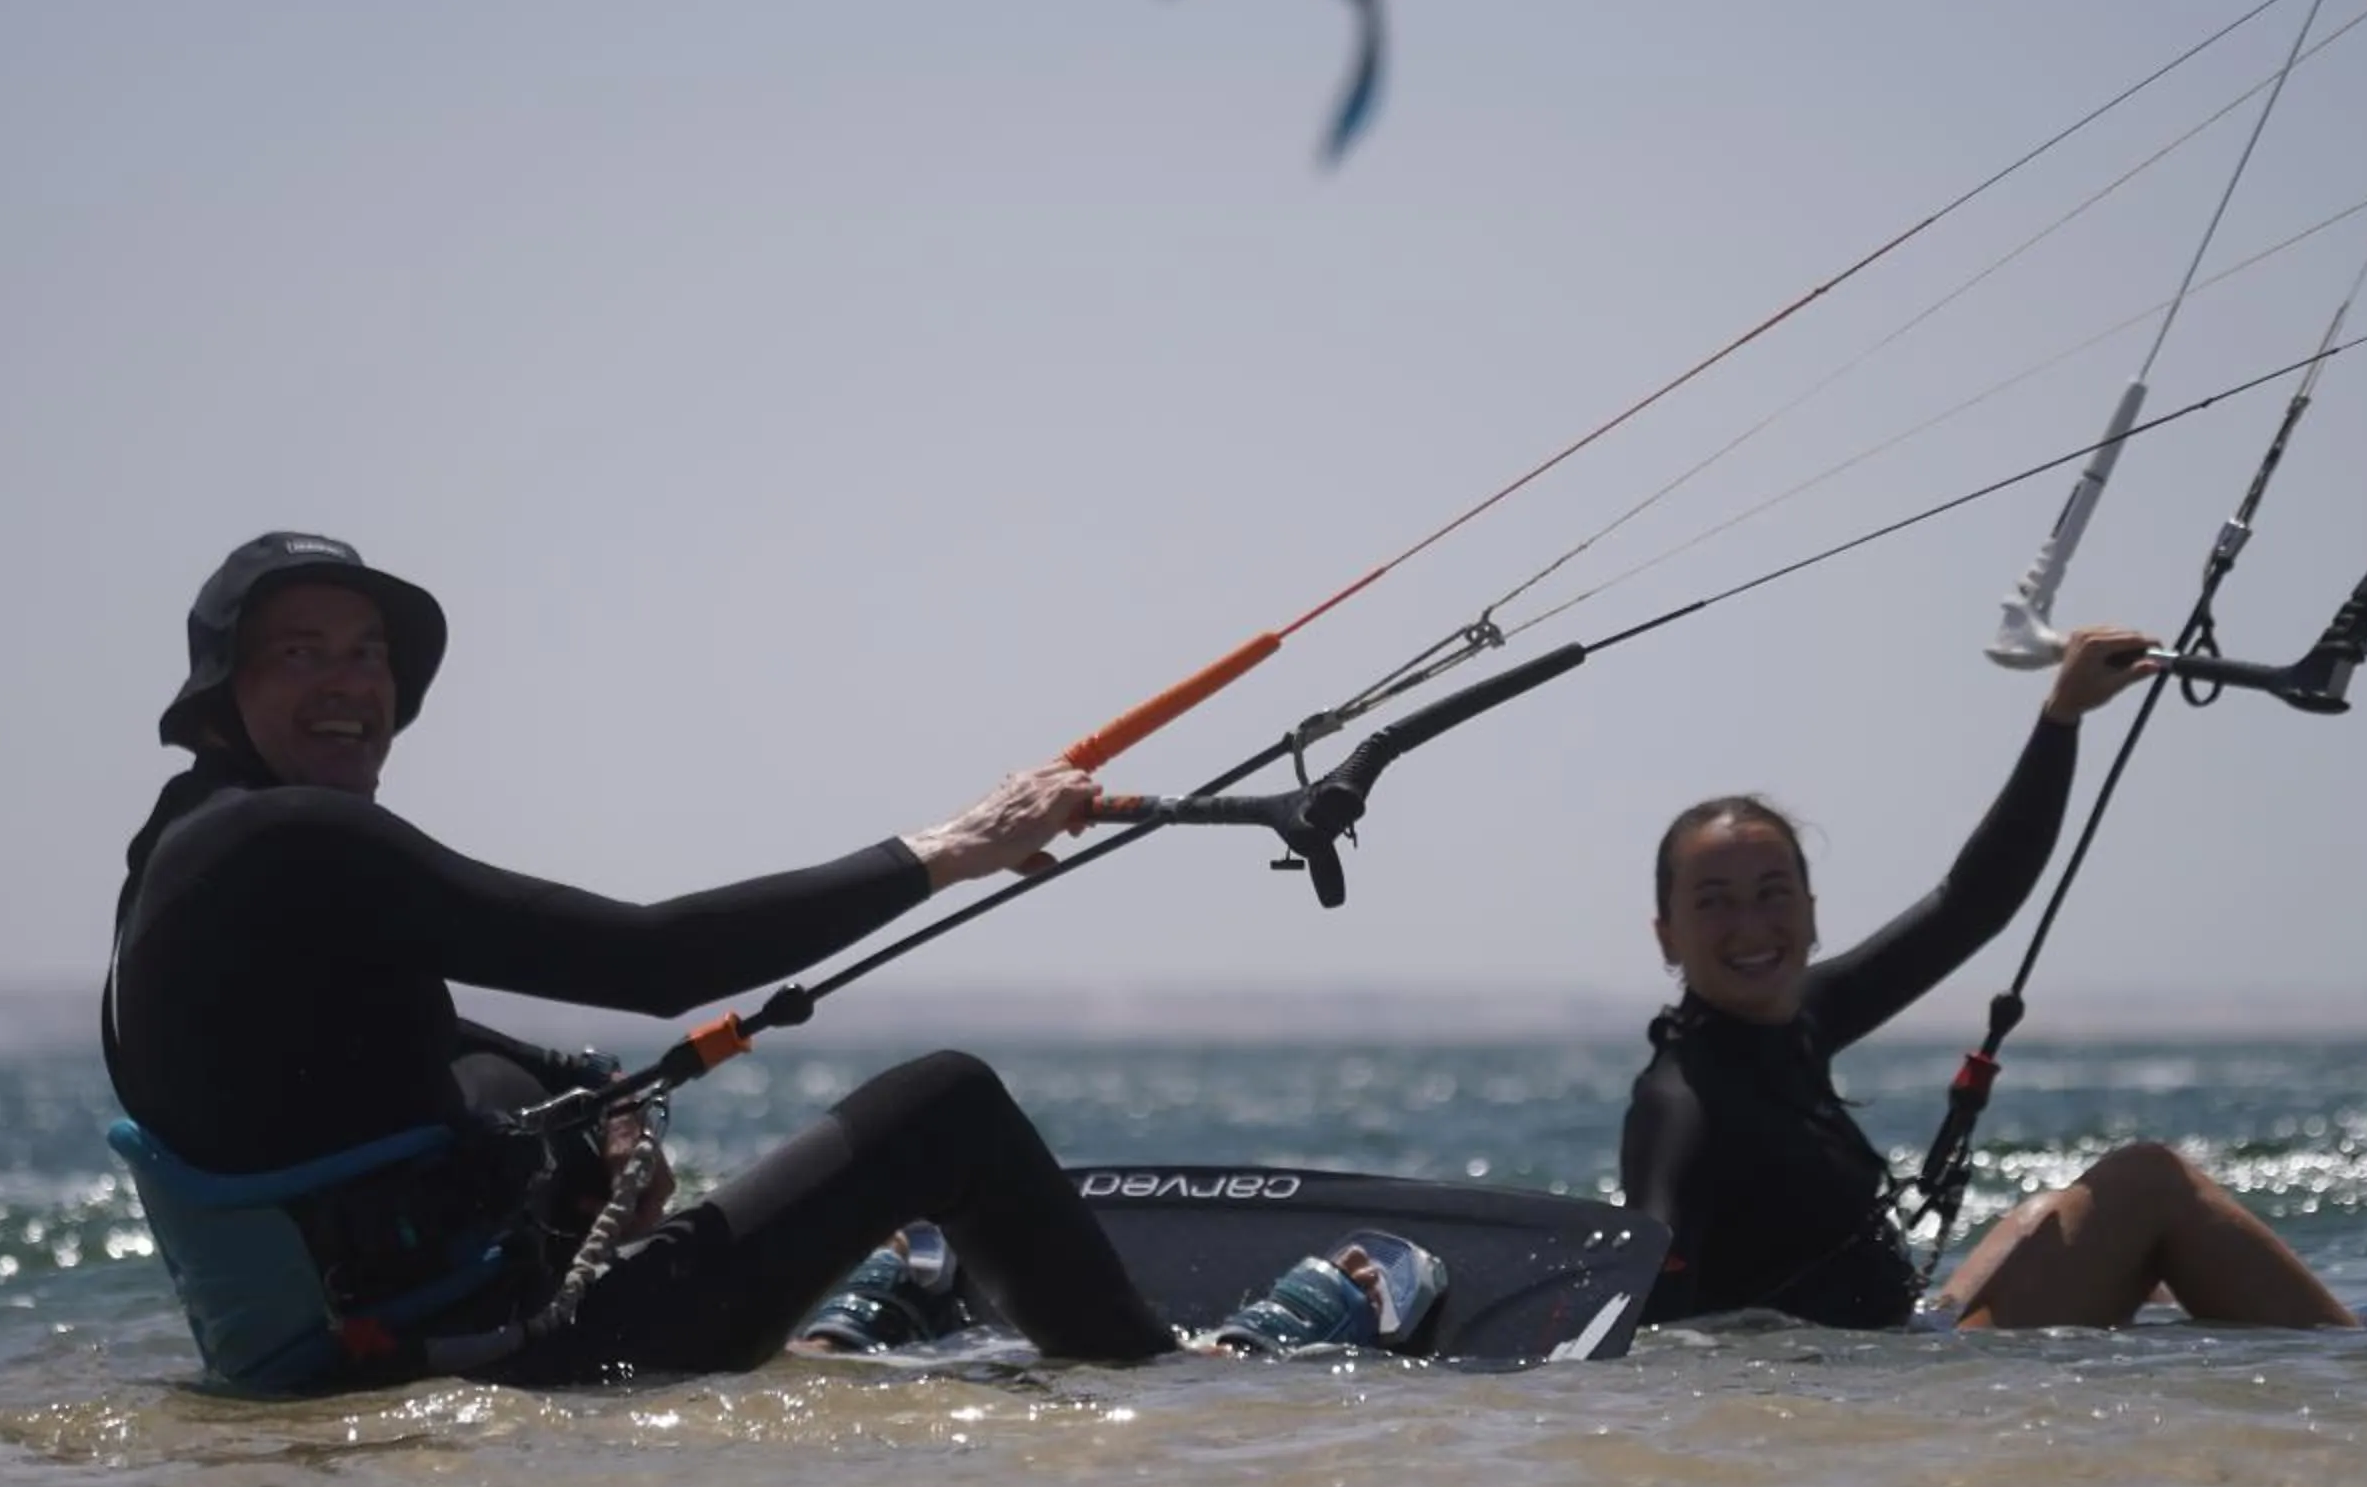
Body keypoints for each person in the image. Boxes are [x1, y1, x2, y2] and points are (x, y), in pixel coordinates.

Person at [105, 532, 1438, 1392]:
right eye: (302, 656)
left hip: (380, 1364)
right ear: (224, 693)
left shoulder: (190, 850)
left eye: (368, 656)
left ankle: (824, 1339)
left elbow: (367, 1055)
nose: (350, 685)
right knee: (945, 1106)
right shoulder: (295, 837)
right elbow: (656, 959)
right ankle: (1179, 1386)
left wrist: (585, 1107)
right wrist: (956, 846)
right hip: (498, 1362)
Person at [1621, 626, 2355, 1332]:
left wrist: (2061, 718)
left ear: (1811, 914)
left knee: (2038, 1219)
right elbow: (1643, 1303)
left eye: (1772, 893)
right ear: (1667, 935)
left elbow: (1970, 905)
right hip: (1876, 1386)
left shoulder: (1801, 1015)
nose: (1750, 926)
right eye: (1714, 903)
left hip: (1898, 1337)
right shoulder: (1680, 1101)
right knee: (2147, 1184)